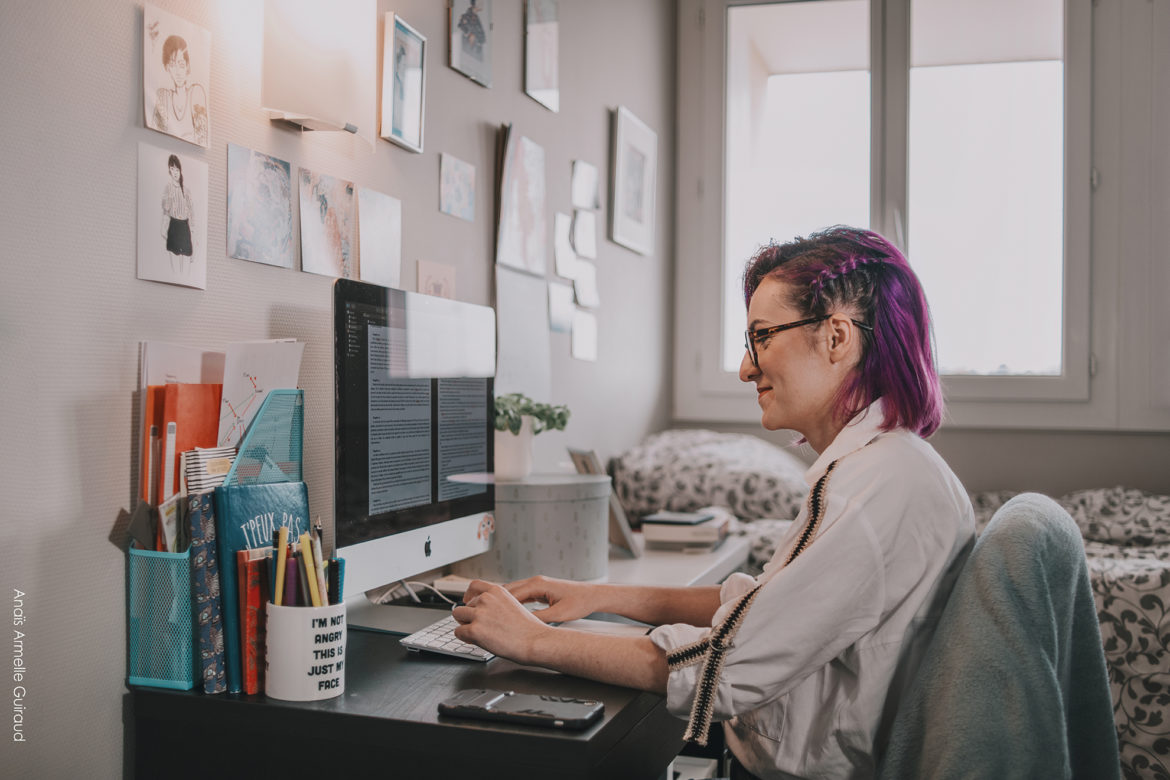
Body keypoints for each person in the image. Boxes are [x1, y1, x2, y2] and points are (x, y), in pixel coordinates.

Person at [454, 226, 975, 779]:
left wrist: (533, 640)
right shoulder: (886, 468)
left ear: (837, 338)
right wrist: (600, 596)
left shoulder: (869, 491)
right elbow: (772, 611)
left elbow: (723, 667)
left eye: (762, 336)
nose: (747, 367)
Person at [151, 34, 208, 147]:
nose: (177, 71)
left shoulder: (196, 93)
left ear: (187, 66)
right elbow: (155, 140)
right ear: (167, 67)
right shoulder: (163, 96)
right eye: (172, 65)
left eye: (181, 65)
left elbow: (202, 138)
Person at [161, 154, 195, 272]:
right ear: (169, 171)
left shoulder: (186, 191)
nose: (175, 172)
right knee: (174, 267)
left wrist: (193, 232)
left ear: (180, 170)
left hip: (184, 227)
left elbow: (191, 213)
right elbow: (166, 210)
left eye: (177, 169)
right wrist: (164, 228)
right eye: (172, 169)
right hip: (174, 225)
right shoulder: (168, 188)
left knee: (185, 263)